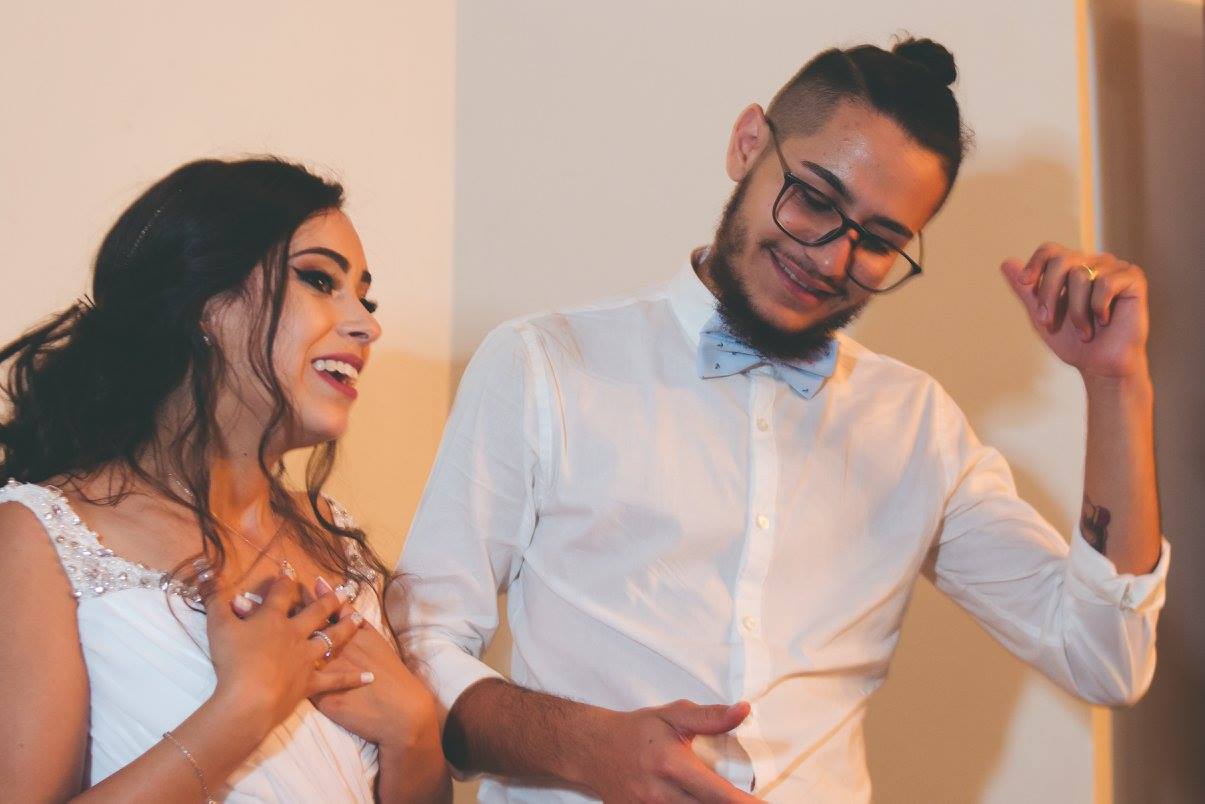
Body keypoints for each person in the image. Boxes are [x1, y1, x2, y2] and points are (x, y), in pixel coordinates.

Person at [395, 38, 1169, 802]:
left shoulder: (917, 426)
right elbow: (421, 644)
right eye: (814, 199)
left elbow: (1103, 659)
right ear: (746, 144)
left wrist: (1116, 384)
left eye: (879, 241)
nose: (829, 258)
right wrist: (587, 748)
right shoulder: (545, 362)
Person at [0, 158, 450, 802]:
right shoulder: (40, 536)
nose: (367, 324)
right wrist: (245, 706)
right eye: (319, 280)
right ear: (204, 304)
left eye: (364, 297)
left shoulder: (334, 541)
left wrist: (415, 732)